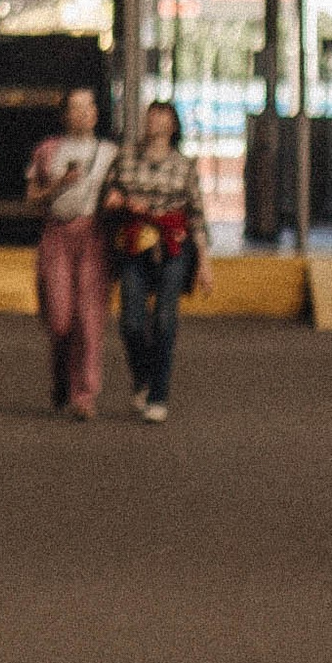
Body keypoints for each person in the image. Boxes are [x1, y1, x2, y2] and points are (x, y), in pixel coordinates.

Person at [105, 96, 211, 425]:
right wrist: (119, 201)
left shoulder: (184, 165)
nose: (157, 123)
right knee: (131, 321)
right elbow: (108, 197)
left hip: (173, 247)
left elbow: (196, 216)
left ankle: (158, 393)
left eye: (164, 118)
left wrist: (205, 262)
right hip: (134, 245)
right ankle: (143, 376)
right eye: (152, 116)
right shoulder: (125, 159)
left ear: (174, 125)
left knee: (166, 319)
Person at [27, 82, 118, 419]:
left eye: (88, 106)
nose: (83, 113)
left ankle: (85, 395)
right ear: (64, 114)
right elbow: (32, 196)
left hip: (94, 236)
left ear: (96, 113)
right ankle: (62, 376)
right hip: (57, 236)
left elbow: (121, 190)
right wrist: (58, 184)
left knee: (90, 318)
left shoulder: (110, 154)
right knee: (60, 318)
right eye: (75, 107)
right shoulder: (48, 151)